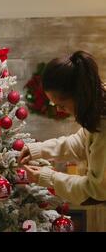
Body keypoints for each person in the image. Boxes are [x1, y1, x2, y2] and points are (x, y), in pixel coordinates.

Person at [19, 50, 106, 206]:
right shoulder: (99, 102)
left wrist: (47, 177)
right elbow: (81, 141)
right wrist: (38, 150)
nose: (59, 110)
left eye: (61, 105)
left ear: (79, 97)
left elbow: (97, 191)